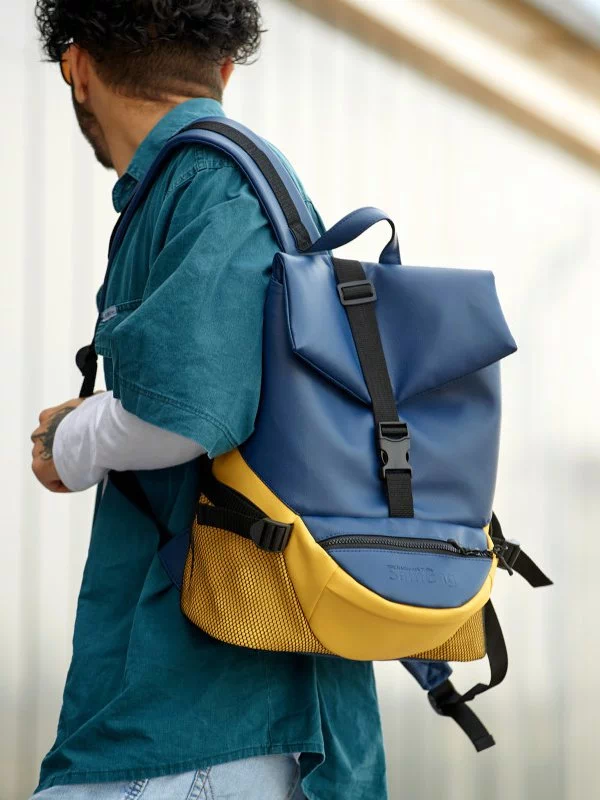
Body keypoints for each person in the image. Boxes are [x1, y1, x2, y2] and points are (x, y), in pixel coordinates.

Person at [29, 2, 387, 799]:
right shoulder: (218, 183)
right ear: (225, 68)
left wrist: (72, 440)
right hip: (239, 723)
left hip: (200, 728)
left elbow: (189, 409)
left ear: (76, 68)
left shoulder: (209, 183)